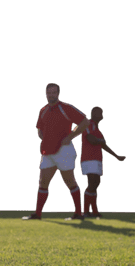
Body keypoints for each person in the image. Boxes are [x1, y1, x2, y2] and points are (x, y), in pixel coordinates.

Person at [23, 83, 89, 221]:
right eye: (49, 92)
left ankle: (78, 214)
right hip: (47, 152)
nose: (51, 95)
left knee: (69, 181)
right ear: (45, 94)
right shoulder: (43, 110)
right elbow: (39, 127)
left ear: (58, 94)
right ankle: (37, 214)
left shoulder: (66, 108)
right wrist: (42, 136)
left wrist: (70, 136)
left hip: (64, 151)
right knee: (43, 182)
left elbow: (84, 122)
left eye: (54, 92)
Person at [79, 106, 126, 218]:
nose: (102, 115)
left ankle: (94, 212)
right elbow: (91, 139)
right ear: (93, 114)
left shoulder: (98, 129)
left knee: (96, 183)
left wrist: (116, 156)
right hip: (89, 158)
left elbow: (104, 145)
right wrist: (100, 140)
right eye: (100, 113)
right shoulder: (88, 124)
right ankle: (86, 211)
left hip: (97, 160)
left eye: (102, 113)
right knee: (92, 183)